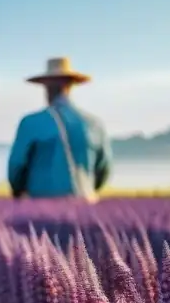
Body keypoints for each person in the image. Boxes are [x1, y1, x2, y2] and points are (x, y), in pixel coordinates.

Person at [7, 57, 112, 200]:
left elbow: (16, 168)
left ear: (46, 87)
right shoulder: (95, 124)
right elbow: (104, 170)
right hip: (83, 207)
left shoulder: (30, 123)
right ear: (70, 85)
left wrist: (19, 194)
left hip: (39, 208)